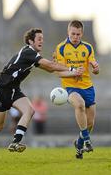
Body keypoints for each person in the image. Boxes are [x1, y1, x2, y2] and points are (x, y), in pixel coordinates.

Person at [0, 28, 84, 153]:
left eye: (42, 39)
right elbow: (50, 66)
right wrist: (72, 68)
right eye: (39, 39)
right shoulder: (28, 52)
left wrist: (67, 70)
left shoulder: (32, 56)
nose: (41, 41)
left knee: (30, 110)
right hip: (0, 91)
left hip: (14, 91)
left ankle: (15, 142)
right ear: (30, 41)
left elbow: (50, 69)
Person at [53, 20, 99, 159]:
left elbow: (93, 67)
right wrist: (73, 73)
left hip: (88, 87)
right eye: (73, 34)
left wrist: (96, 68)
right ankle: (87, 141)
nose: (75, 37)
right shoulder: (61, 48)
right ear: (68, 32)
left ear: (82, 34)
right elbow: (59, 72)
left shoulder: (88, 47)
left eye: (78, 34)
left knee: (90, 123)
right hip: (70, 86)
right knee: (79, 105)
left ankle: (78, 145)